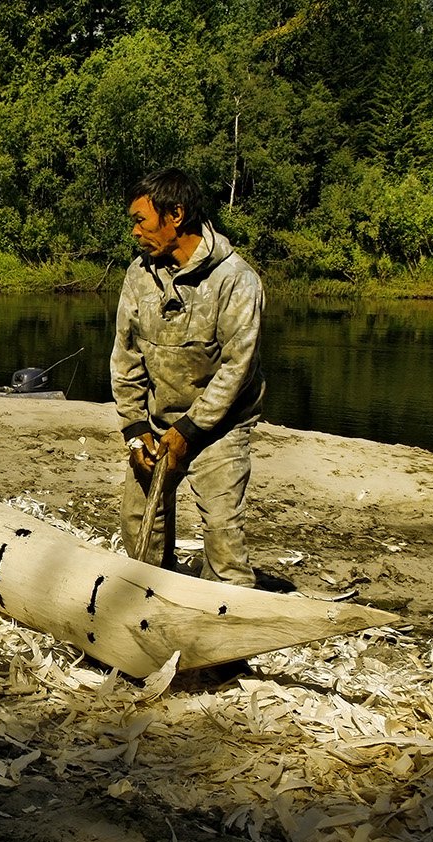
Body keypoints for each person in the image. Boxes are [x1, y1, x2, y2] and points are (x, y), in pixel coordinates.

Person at [110, 167, 265, 586]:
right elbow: (126, 359)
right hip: (158, 422)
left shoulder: (236, 280)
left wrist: (189, 431)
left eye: (141, 220)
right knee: (139, 526)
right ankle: (154, 602)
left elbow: (237, 369)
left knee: (223, 539)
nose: (135, 231)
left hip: (220, 429)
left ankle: (230, 627)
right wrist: (136, 427)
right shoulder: (139, 276)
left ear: (175, 214)